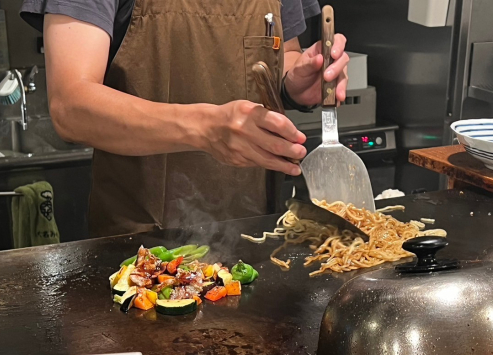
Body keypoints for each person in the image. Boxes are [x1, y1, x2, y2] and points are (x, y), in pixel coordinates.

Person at [20, 0, 349, 236]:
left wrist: (295, 82)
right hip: (144, 247)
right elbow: (71, 106)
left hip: (258, 234)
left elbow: (283, 54)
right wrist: (206, 128)